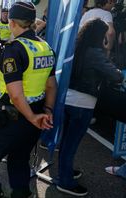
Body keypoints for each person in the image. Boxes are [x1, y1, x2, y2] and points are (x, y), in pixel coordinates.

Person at [0, 2, 57, 198]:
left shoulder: (13, 49)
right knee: (19, 158)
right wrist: (47, 112)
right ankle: (21, 194)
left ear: (11, 22)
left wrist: (31, 117)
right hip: (37, 114)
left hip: (14, 116)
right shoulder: (45, 46)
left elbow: (16, 94)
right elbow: (52, 85)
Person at [57, 18, 123, 197]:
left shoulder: (76, 48)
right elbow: (115, 76)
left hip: (67, 100)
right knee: (71, 144)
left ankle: (65, 172)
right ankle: (65, 181)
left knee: (65, 142)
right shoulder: (95, 53)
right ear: (99, 35)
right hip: (82, 103)